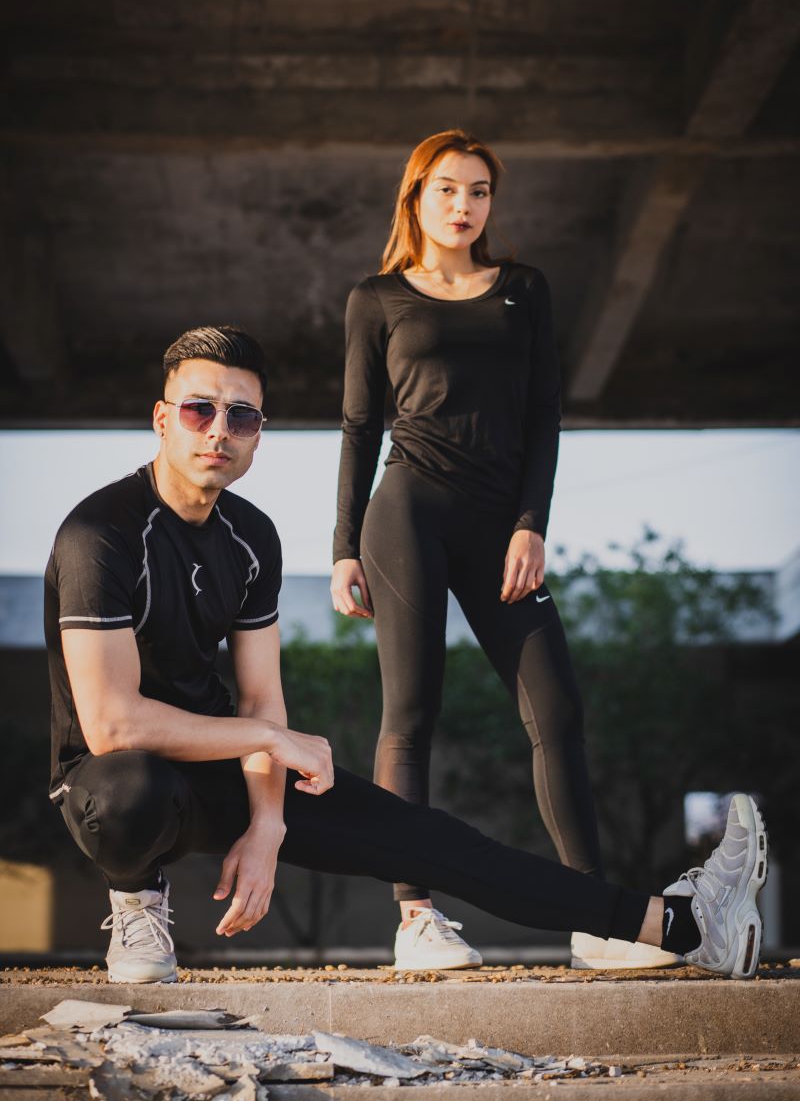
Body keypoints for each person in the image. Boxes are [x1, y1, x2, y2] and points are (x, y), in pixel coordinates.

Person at [45, 325, 767, 985]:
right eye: (200, 410)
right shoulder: (100, 535)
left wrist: (267, 822)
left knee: (433, 841)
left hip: (223, 765)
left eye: (243, 417)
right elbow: (113, 724)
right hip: (110, 781)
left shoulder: (251, 536)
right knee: (130, 791)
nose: (219, 431)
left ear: (259, 434)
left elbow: (262, 697)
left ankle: (684, 924)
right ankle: (136, 900)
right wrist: (268, 738)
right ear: (162, 419)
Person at [330, 130, 662, 971]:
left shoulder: (524, 289)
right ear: (417, 197)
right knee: (412, 713)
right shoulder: (376, 298)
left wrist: (531, 523)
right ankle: (415, 920)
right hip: (407, 514)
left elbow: (544, 413)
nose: (464, 205)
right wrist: (343, 547)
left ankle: (597, 920)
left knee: (558, 708)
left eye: (479, 191)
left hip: (500, 526)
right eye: (448, 189)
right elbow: (360, 427)